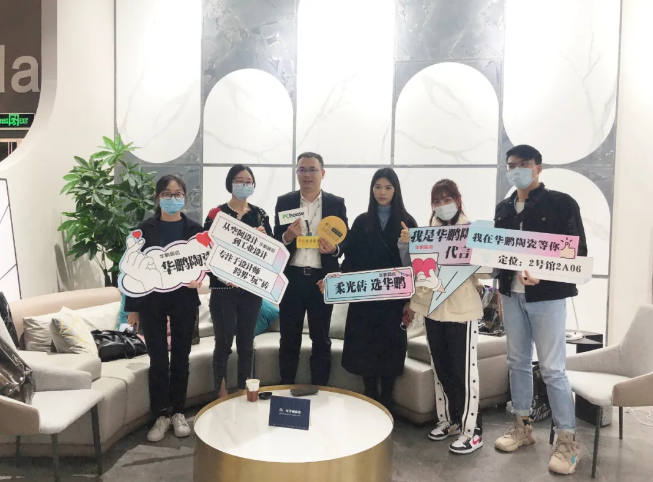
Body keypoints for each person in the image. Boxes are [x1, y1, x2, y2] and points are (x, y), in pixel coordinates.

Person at [493, 145, 587, 475]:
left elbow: (575, 253)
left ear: (538, 168)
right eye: (511, 166)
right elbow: (497, 251)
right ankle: (522, 426)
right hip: (511, 295)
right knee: (517, 362)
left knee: (552, 368)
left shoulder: (561, 203)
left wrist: (543, 273)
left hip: (547, 297)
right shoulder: (503, 208)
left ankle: (567, 441)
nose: (516, 170)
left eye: (523, 164)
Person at [403, 179, 487, 454]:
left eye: (447, 199)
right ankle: (450, 421)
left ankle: (473, 431)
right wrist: (414, 306)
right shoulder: (428, 234)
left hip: (463, 311)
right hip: (434, 311)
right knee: (441, 369)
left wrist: (475, 253)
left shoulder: (472, 231)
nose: (442, 205)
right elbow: (422, 275)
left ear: (458, 200)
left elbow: (486, 272)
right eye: (437, 201)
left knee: (463, 373)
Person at [125, 175, 203, 443]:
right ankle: (161, 415)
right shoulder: (144, 230)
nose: (173, 199)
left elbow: (204, 264)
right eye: (167, 194)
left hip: (184, 301)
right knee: (158, 360)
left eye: (178, 194)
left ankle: (178, 412)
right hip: (152, 303)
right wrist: (132, 308)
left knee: (182, 358)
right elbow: (133, 269)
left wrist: (199, 279)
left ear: (185, 197)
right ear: (157, 198)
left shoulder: (195, 230)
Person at [337, 168, 417, 409]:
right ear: (372, 190)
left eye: (388, 187)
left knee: (391, 349)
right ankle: (370, 396)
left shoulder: (408, 222)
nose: (382, 192)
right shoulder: (362, 221)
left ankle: (387, 401)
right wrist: (337, 282)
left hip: (393, 300)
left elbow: (415, 265)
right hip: (365, 299)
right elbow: (349, 258)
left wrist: (410, 301)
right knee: (365, 349)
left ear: (396, 190)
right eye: (378, 187)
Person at [273, 152, 348, 386]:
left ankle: (320, 389)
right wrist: (287, 236)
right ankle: (286, 385)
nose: (307, 175)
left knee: (321, 339)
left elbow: (346, 239)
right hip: (292, 278)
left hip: (321, 280)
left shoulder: (336, 203)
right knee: (289, 338)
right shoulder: (285, 202)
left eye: (312, 169)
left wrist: (335, 249)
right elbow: (275, 241)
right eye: (302, 169)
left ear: (322, 173)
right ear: (297, 173)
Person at [203, 165, 272, 398]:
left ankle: (245, 392)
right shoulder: (216, 214)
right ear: (230, 183)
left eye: (248, 181)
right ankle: (220, 395)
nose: (244, 185)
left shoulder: (260, 215)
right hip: (223, 288)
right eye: (239, 180)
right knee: (223, 344)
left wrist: (265, 239)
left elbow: (270, 253)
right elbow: (205, 249)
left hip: (251, 290)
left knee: (246, 344)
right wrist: (221, 276)